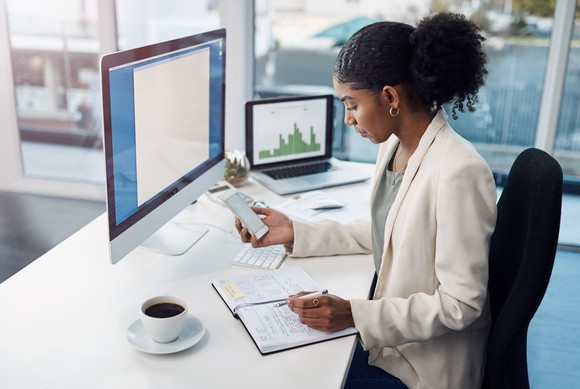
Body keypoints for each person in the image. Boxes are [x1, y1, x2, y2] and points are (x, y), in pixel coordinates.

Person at [235, 12, 497, 389]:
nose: (347, 119)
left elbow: (462, 305)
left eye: (352, 104)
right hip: (390, 345)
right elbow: (386, 231)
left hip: (420, 368)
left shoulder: (459, 171)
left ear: (390, 97)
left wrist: (355, 315)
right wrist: (295, 231)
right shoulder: (394, 144)